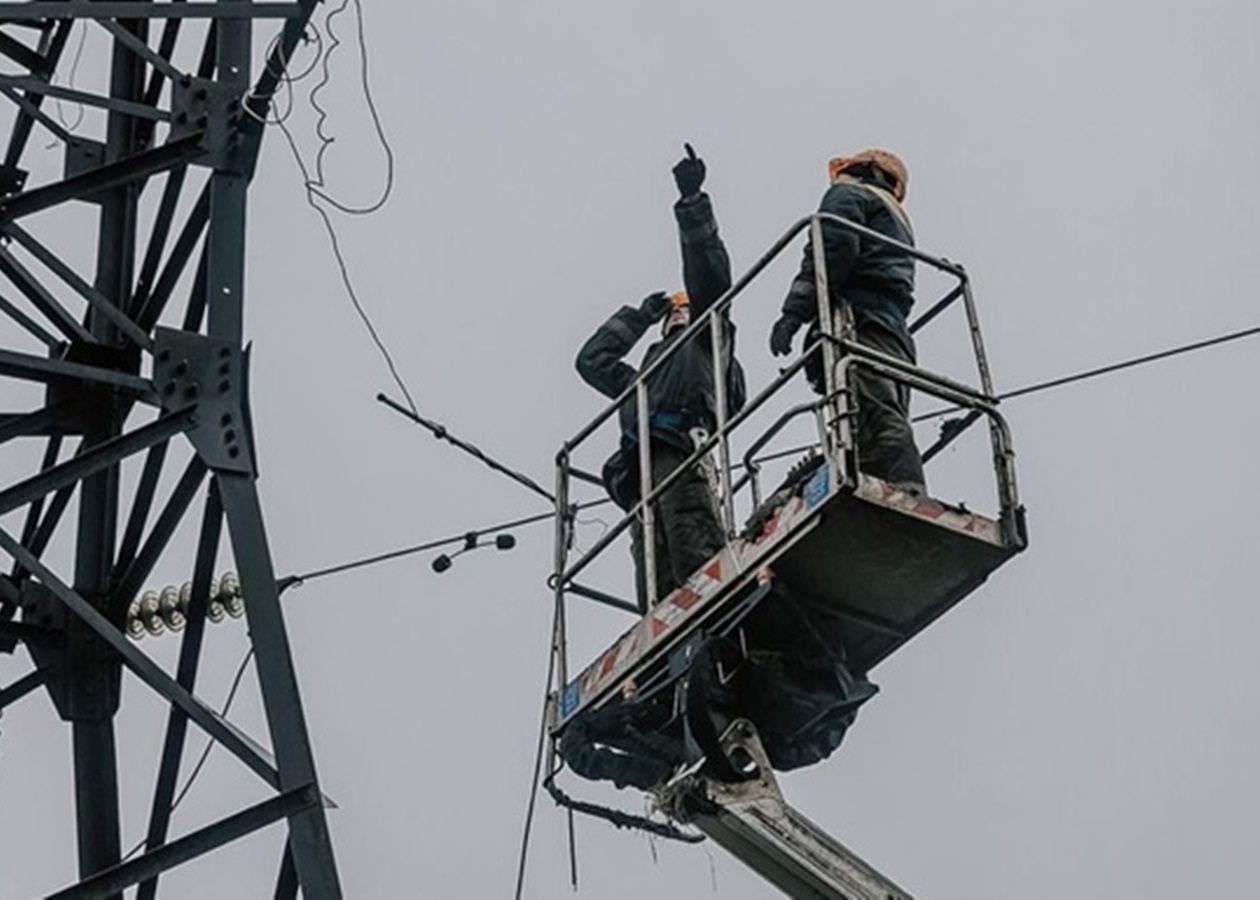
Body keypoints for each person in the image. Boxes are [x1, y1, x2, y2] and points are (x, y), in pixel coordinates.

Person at [575, 145, 745, 608]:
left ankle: (716, 607)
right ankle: (666, 631)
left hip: (680, 448)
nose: (675, 315)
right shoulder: (645, 375)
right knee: (652, 567)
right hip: (640, 466)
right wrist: (639, 317)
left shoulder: (707, 340)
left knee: (691, 537)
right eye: (672, 312)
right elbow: (592, 362)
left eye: (679, 309)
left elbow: (710, 276)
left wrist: (694, 204)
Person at [768, 149, 926, 493]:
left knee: (871, 414)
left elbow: (832, 250)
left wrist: (794, 313)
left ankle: (901, 490)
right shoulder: (896, 217)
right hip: (892, 328)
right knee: (881, 410)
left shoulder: (850, 194)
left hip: (859, 321)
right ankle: (892, 483)